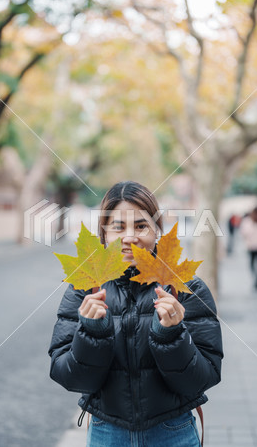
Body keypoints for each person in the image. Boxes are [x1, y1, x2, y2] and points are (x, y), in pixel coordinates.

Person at [48, 181, 223, 447]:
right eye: (118, 226)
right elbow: (69, 377)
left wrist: (172, 335)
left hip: (172, 431)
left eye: (141, 226)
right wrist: (91, 332)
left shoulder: (185, 288)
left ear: (157, 232)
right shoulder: (85, 288)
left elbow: (202, 378)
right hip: (107, 433)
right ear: (104, 233)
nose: (130, 236)